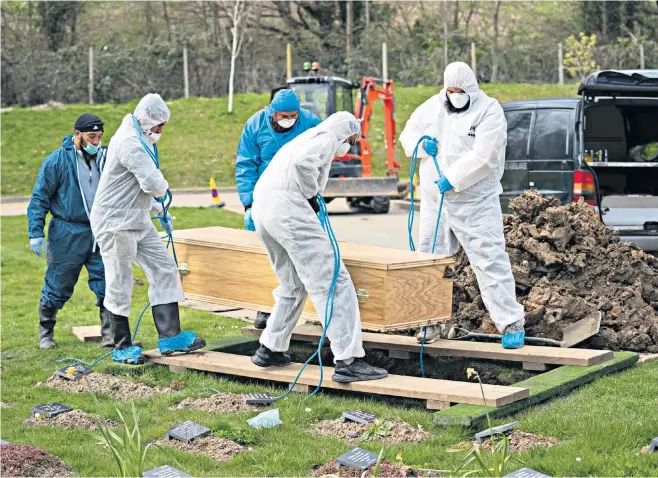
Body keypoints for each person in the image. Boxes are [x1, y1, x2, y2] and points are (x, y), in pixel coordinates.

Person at [250, 111, 388, 383]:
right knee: (334, 281)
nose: (348, 145)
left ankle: (270, 347)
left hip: (264, 207)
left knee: (292, 284)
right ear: (344, 132)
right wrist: (311, 195)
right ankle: (348, 360)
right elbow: (303, 166)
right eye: (351, 139)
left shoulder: (305, 137)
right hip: (288, 208)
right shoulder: (327, 136)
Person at [399, 62, 525, 349]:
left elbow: (486, 157)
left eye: (460, 91)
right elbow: (408, 136)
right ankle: (429, 322)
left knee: (489, 260)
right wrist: (421, 144)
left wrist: (453, 178)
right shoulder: (432, 107)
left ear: (471, 89)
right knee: (431, 260)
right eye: (451, 91)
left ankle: (510, 323)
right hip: (436, 203)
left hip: (475, 203)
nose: (455, 96)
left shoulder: (489, 110)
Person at [90, 93, 206, 364]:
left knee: (164, 268)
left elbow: (131, 187)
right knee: (120, 281)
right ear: (146, 120)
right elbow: (152, 183)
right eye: (158, 126)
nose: (160, 131)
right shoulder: (129, 143)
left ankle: (170, 336)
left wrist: (156, 209)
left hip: (136, 217)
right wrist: (162, 194)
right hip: (114, 222)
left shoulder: (140, 137)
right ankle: (121, 345)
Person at [236, 89, 321, 330]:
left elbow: (323, 153)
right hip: (266, 199)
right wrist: (249, 205)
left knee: (306, 252)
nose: (289, 120)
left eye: (293, 115)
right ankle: (266, 306)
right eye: (284, 116)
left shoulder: (310, 123)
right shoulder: (255, 125)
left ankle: (313, 305)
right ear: (272, 113)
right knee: (272, 258)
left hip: (299, 197)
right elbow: (245, 164)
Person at [27, 113, 113, 350]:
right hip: (67, 233)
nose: (96, 142)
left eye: (99, 137)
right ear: (77, 134)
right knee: (58, 283)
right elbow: (40, 198)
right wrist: (35, 231)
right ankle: (46, 333)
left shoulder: (104, 159)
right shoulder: (57, 161)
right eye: (91, 136)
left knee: (108, 281)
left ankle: (109, 334)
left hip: (99, 231)